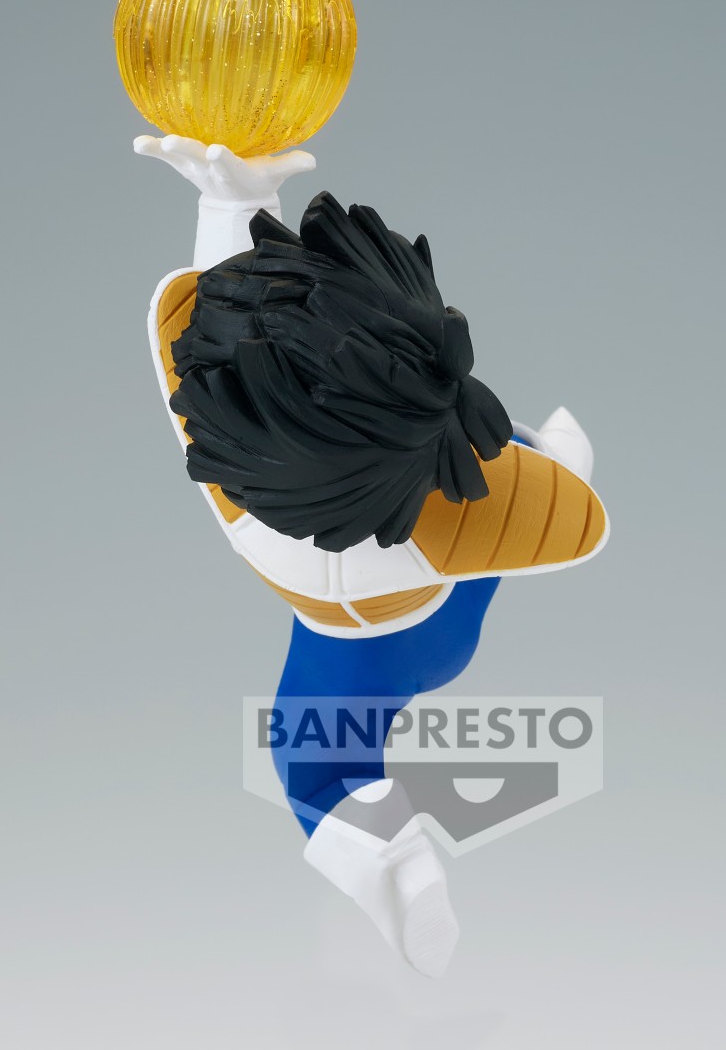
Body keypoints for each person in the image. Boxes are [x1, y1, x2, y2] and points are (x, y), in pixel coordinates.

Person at [142, 135, 607, 976]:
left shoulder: (241, 500)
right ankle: (550, 453)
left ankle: (393, 861)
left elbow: (229, 342)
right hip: (444, 595)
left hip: (360, 653)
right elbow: (247, 335)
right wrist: (239, 204)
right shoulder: (436, 505)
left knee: (312, 772)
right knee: (483, 474)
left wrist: (228, 205)